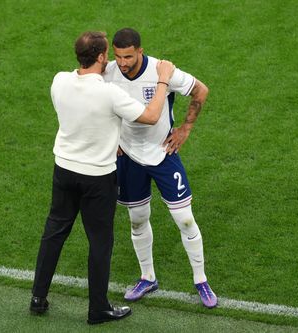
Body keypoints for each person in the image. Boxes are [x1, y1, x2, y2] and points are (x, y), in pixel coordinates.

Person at [30, 31, 175, 324]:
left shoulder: (59, 80)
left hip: (64, 170)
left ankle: (37, 297)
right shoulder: (108, 93)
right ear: (99, 57)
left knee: (54, 232)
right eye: (107, 53)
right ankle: (98, 308)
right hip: (97, 178)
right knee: (100, 242)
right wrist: (163, 80)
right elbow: (150, 116)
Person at [102, 28, 217, 308]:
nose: (123, 63)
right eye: (118, 56)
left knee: (185, 220)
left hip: (164, 154)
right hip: (128, 157)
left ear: (140, 51)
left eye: (128, 56)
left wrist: (185, 129)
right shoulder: (108, 72)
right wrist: (112, 138)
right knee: (137, 218)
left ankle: (201, 280)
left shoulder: (162, 71)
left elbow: (201, 90)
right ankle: (147, 277)